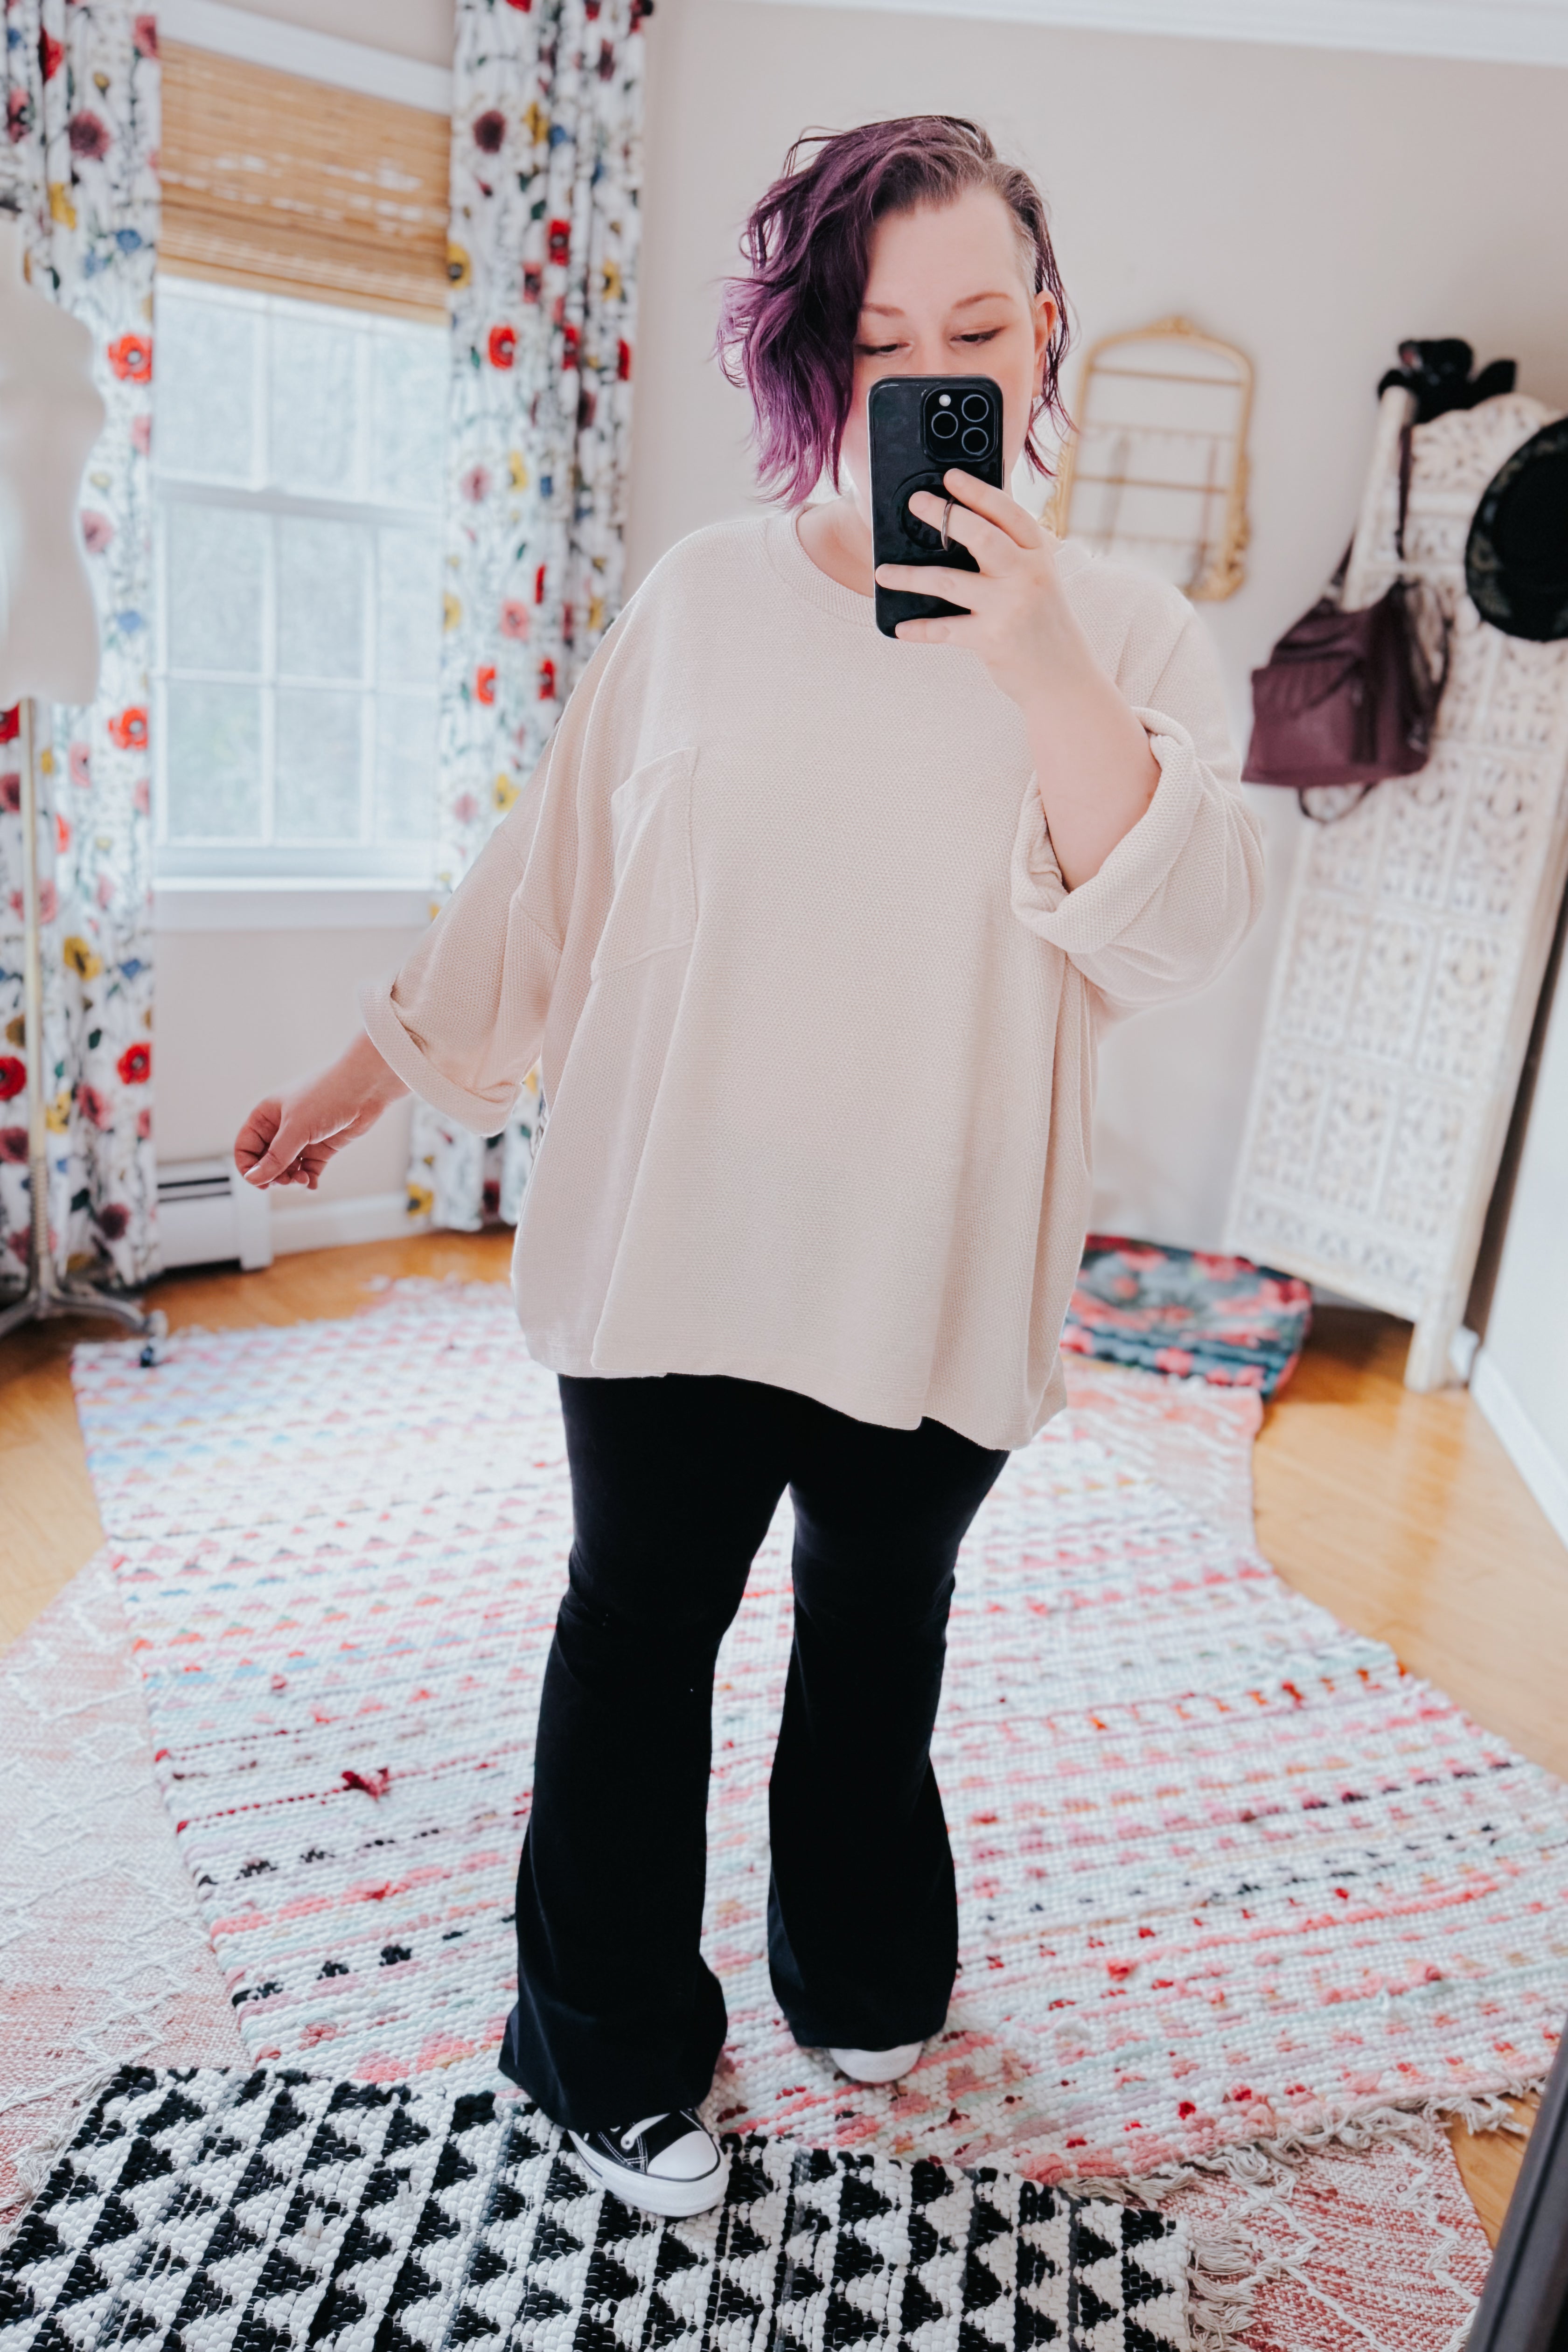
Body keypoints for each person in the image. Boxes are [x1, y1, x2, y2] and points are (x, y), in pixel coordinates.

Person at [235, 116, 1264, 2220]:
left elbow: (1166, 930)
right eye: (880, 337)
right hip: (675, 1234)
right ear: (817, 355)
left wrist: (1034, 652)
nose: (928, 374)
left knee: (877, 1623)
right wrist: (374, 1064)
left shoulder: (1133, 635)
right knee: (641, 1636)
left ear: (1039, 331)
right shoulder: (704, 598)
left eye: (973, 328)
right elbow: (553, 878)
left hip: (933, 1252)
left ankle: (861, 1967)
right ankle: (606, 2043)